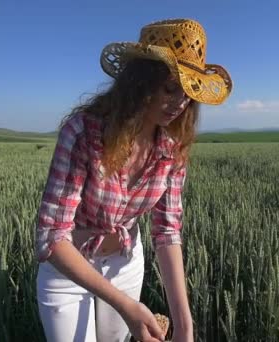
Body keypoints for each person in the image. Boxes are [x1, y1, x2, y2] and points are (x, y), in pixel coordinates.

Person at [34, 18, 232, 342]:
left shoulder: (172, 148)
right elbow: (51, 237)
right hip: (68, 271)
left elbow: (167, 230)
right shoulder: (84, 133)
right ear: (140, 82)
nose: (180, 103)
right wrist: (127, 306)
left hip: (124, 265)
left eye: (188, 94)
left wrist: (185, 324)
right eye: (170, 88)